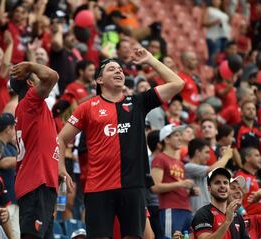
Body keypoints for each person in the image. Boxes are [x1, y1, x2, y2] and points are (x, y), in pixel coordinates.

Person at [58, 47, 185, 238]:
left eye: (120, 69)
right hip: (98, 187)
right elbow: (61, 138)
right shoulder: (87, 108)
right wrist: (60, 166)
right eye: (111, 69)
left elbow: (177, 83)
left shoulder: (138, 102)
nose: (118, 71)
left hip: (132, 187)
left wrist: (150, 59)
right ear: (99, 80)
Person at [11, 61, 59, 239]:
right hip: (37, 183)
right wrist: (30, 66)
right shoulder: (31, 102)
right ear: (31, 84)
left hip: (40, 183)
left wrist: (58, 169)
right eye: (36, 77)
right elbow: (53, 76)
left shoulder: (26, 107)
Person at [151, 124, 195, 239]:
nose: (180, 138)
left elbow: (178, 185)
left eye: (181, 135)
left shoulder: (180, 163)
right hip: (170, 208)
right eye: (176, 135)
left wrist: (191, 191)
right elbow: (155, 187)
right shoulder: (160, 158)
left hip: (185, 208)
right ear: (166, 139)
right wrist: (180, 184)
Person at [191, 167, 250, 239]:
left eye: (225, 182)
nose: (222, 185)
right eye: (217, 183)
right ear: (209, 188)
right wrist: (227, 221)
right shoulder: (203, 214)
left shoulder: (238, 217)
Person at [185, 138, 233, 214]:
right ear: (198, 152)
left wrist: (221, 157)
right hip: (194, 214)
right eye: (206, 152)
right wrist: (226, 156)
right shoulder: (188, 167)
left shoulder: (204, 169)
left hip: (205, 214)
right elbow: (213, 170)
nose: (208, 156)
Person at [228, 175, 261, 239]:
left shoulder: (251, 221)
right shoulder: (217, 220)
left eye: (239, 188)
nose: (239, 191)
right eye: (233, 188)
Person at [0, 113, 19, 239]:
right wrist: (26, 158)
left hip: (13, 199)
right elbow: (3, 163)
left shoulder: (10, 146)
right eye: (14, 127)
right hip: (1, 203)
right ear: (8, 129)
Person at [235, 147, 261, 215]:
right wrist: (243, 214)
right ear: (247, 158)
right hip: (248, 220)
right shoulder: (240, 176)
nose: (260, 158)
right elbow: (234, 199)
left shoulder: (257, 177)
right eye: (257, 155)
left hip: (260, 219)